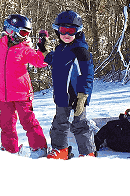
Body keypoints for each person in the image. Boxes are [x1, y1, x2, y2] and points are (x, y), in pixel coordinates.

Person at [0, 14, 48, 159]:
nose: (25, 36)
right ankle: (9, 150)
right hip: (3, 94)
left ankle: (39, 148)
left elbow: (40, 62)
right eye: (23, 32)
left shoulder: (24, 49)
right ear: (11, 30)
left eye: (28, 33)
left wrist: (43, 48)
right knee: (6, 125)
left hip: (21, 93)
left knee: (28, 122)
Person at [38, 10, 95, 160]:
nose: (67, 35)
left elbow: (88, 74)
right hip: (62, 96)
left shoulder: (80, 49)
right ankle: (60, 150)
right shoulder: (61, 48)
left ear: (78, 31)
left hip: (77, 95)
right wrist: (44, 50)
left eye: (71, 31)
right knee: (59, 123)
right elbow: (54, 61)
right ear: (58, 30)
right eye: (64, 30)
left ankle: (87, 153)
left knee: (80, 124)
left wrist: (83, 96)